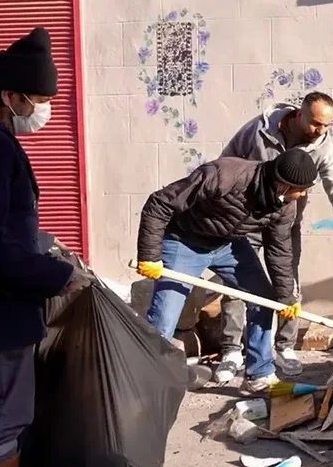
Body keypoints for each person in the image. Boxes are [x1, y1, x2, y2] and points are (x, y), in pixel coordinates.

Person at [214, 91, 333, 380]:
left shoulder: (322, 147)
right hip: (246, 222)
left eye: (327, 126)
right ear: (299, 115)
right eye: (316, 124)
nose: (320, 131)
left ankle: (285, 347)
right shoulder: (258, 131)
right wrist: (224, 211)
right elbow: (224, 166)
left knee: (288, 283)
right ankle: (232, 350)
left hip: (285, 225)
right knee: (235, 285)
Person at [135, 149, 319, 393]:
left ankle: (259, 374)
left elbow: (279, 251)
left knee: (264, 300)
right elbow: (160, 202)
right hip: (184, 241)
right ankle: (146, 383)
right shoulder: (224, 175)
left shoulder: (285, 206)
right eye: (301, 189)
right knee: (165, 314)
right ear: (283, 185)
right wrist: (150, 255)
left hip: (228, 245)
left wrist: (285, 297)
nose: (303, 194)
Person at [0, 28, 88, 467]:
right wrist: (57, 276)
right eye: (37, 100)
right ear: (9, 96)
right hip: (0, 321)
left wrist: (45, 245)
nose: (42, 111)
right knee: (2, 430)